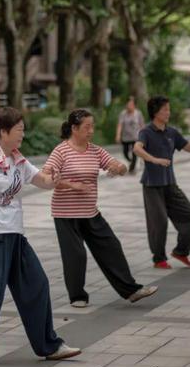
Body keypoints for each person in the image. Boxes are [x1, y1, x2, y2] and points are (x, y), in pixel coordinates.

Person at [0, 106, 82, 366]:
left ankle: (48, 345)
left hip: (16, 237)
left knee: (38, 284)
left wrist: (53, 179)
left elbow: (40, 180)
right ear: (3, 131)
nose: (23, 133)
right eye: (19, 129)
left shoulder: (18, 159)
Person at [44, 108, 158, 308]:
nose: (91, 130)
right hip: (66, 214)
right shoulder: (61, 151)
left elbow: (117, 165)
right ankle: (77, 296)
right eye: (87, 127)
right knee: (76, 255)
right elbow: (46, 177)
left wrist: (119, 168)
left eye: (92, 126)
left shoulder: (95, 150)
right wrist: (72, 185)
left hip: (90, 212)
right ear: (74, 128)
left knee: (111, 246)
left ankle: (131, 291)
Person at [134, 95, 190, 269]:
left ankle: (180, 251)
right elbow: (137, 148)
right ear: (155, 112)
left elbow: (189, 146)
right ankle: (159, 258)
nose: (168, 112)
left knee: (189, 215)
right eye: (165, 109)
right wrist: (154, 160)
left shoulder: (172, 132)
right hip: (152, 186)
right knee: (160, 222)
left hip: (170, 184)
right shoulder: (146, 132)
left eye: (168, 109)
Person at [116, 96, 144, 174]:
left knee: (134, 152)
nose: (129, 107)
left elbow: (142, 124)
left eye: (130, 105)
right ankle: (131, 161)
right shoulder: (123, 114)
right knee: (125, 152)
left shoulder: (138, 113)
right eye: (127, 105)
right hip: (126, 137)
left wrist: (144, 135)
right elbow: (120, 125)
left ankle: (132, 168)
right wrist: (118, 135)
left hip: (135, 136)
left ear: (134, 105)